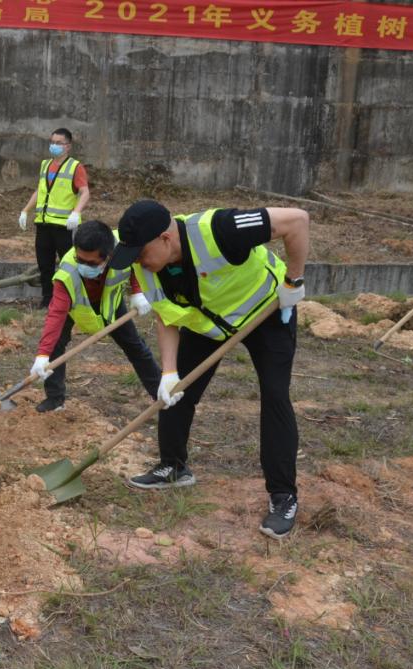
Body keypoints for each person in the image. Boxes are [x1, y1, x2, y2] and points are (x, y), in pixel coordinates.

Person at [115, 200, 309, 539]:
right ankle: (174, 467)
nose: (137, 262)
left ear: (165, 238)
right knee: (179, 394)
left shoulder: (220, 229)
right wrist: (169, 372)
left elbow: (296, 220)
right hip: (209, 326)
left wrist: (293, 281)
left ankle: (283, 496)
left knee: (275, 397)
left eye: (140, 253)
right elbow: (166, 315)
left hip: (268, 314)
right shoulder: (145, 265)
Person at [28, 220, 161, 412]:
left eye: (91, 263)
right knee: (55, 345)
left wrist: (137, 291)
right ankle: (54, 399)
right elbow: (56, 313)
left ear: (108, 256)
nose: (83, 265)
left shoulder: (124, 248)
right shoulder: (67, 273)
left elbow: (136, 265)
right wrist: (42, 354)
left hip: (111, 303)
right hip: (77, 305)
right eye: (79, 259)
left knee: (135, 347)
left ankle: (160, 393)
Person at [18, 128, 90, 308]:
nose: (54, 146)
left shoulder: (75, 167)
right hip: (43, 223)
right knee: (45, 264)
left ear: (68, 146)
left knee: (69, 265)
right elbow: (40, 190)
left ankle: (71, 300)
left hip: (64, 226)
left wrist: (76, 212)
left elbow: (85, 192)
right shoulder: (45, 165)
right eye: (52, 142)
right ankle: (47, 299)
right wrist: (26, 210)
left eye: (59, 143)